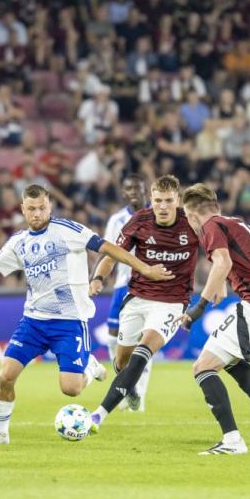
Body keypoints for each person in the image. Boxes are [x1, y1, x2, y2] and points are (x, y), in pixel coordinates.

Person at [0, 184, 174, 445]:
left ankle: (90, 366)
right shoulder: (19, 242)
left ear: (50, 206)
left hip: (69, 322)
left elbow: (108, 247)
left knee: (71, 389)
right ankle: (0, 434)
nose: (37, 213)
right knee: (5, 376)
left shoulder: (68, 230)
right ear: (23, 210)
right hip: (33, 322)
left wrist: (144, 268)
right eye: (32, 209)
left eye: (42, 207)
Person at [176, 183, 250, 455]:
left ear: (192, 215)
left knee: (203, 367)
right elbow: (234, 261)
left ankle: (232, 441)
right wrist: (223, 283)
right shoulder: (235, 223)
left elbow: (223, 262)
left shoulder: (210, 226)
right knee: (229, 360)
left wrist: (199, 306)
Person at [89, 175, 199, 429]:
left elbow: (220, 250)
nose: (163, 206)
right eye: (158, 200)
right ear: (151, 199)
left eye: (168, 201)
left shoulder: (192, 223)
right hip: (137, 298)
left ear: (178, 201)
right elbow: (112, 255)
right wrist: (98, 278)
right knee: (121, 363)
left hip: (172, 302)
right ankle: (130, 389)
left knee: (145, 348)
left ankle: (98, 415)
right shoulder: (139, 221)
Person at [100, 174, 152, 410]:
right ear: (123, 192)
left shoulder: (156, 214)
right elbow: (108, 251)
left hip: (148, 285)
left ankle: (139, 396)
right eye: (128, 188)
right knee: (113, 337)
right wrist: (98, 277)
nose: (133, 192)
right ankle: (127, 388)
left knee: (144, 342)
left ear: (145, 190)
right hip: (123, 284)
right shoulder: (117, 219)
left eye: (137, 188)